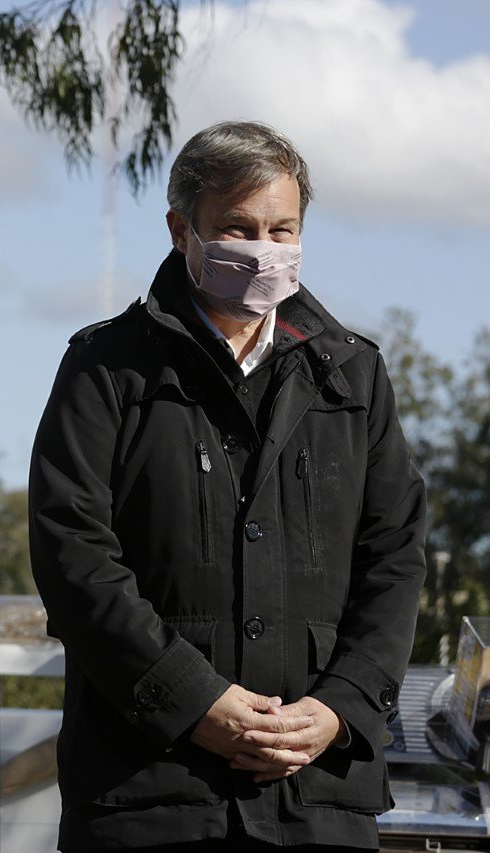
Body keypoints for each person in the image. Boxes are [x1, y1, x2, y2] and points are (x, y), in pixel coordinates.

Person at [28, 121, 426, 851]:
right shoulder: (104, 369)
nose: (263, 249)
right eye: (238, 228)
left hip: (319, 801)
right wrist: (191, 700)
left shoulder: (353, 376)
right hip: (147, 795)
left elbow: (395, 558)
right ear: (183, 229)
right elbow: (73, 556)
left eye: (283, 229)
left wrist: (340, 707)